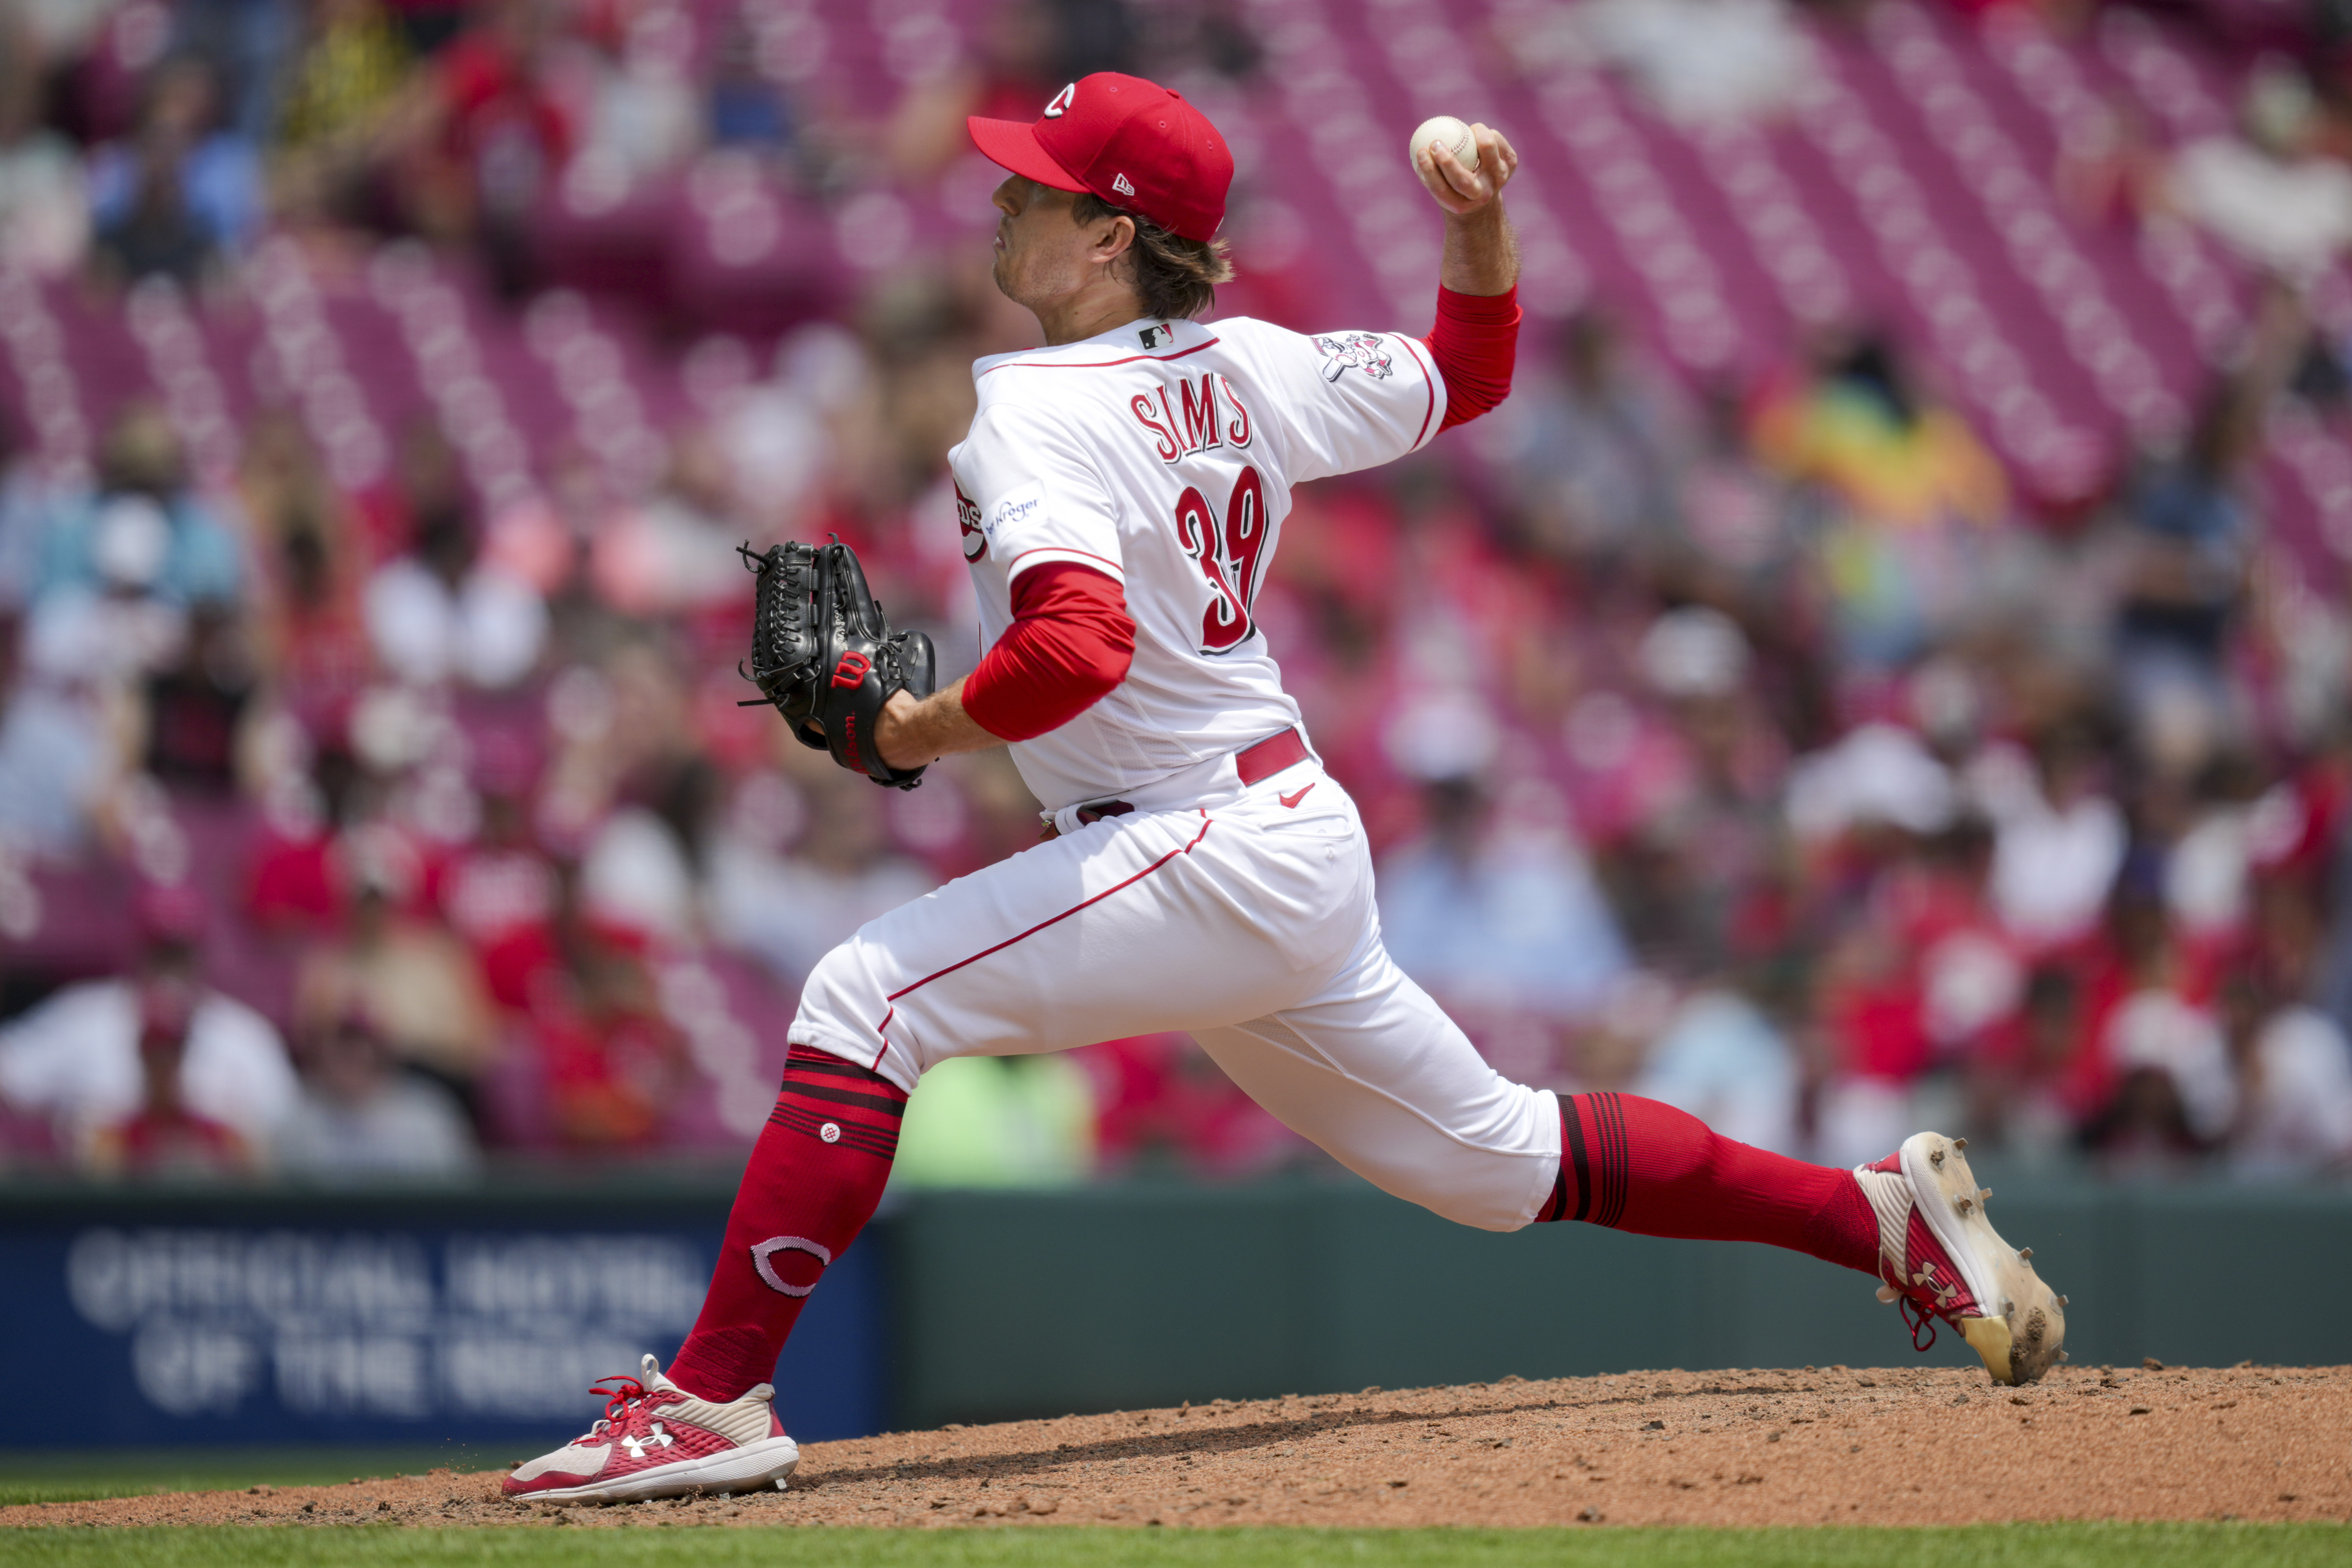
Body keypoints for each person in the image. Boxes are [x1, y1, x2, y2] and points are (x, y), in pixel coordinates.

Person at [501, 74, 2069, 1505]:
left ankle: (708, 1401)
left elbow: (1075, 652)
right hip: (1277, 836)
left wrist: (911, 735)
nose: (1003, 201)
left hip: (1199, 845)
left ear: (1109, 239)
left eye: (1037, 188)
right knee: (1502, 1164)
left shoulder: (1032, 412)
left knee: (864, 997)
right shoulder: (1247, 362)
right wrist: (1481, 226)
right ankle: (1873, 1218)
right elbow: (1468, 373)